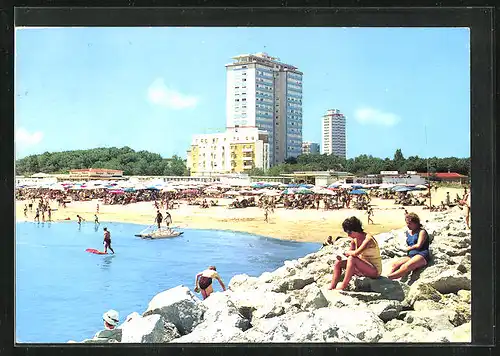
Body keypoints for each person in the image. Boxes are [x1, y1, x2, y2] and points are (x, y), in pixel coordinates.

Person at [328, 216, 382, 291]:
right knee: (338, 263)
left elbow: (356, 253)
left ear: (356, 230)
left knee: (352, 258)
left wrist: (347, 253)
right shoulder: (354, 240)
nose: (348, 235)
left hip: (374, 270)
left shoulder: (368, 239)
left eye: (349, 232)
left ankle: (343, 286)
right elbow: (351, 254)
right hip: (362, 267)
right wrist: (342, 257)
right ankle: (332, 286)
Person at [387, 212, 430, 280]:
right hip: (411, 255)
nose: (407, 225)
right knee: (395, 265)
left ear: (416, 223)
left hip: (421, 254)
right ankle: (389, 276)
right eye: (407, 223)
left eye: (409, 223)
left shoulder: (422, 232)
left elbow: (419, 245)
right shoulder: (408, 233)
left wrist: (407, 249)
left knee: (405, 266)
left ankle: (388, 278)